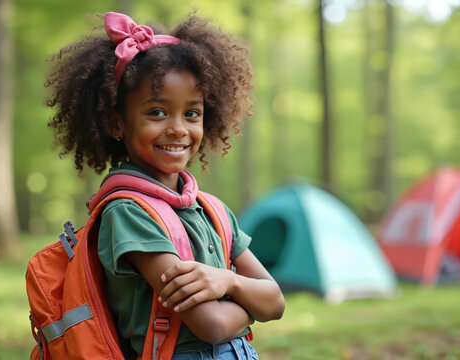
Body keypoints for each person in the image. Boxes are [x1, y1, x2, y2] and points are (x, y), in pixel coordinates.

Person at [46, 11, 285, 360]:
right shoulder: (127, 212)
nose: (178, 128)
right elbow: (211, 325)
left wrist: (228, 283)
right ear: (117, 123)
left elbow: (276, 302)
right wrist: (251, 304)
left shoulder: (212, 210)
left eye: (192, 113)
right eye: (157, 112)